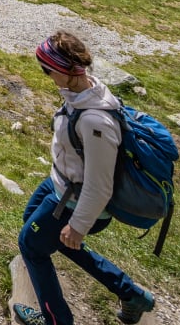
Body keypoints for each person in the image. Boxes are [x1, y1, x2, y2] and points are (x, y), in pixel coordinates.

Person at [13, 32, 157, 325]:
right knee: (35, 224)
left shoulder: (95, 122)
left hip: (76, 200)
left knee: (31, 245)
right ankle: (130, 293)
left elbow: (100, 185)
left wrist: (78, 226)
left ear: (66, 69)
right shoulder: (84, 91)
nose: (46, 76)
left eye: (47, 70)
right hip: (62, 184)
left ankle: (57, 321)